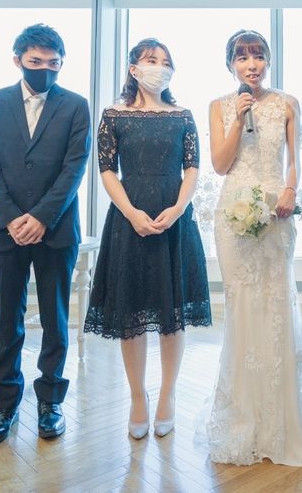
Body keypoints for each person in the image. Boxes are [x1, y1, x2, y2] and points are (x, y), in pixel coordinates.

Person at [203, 29, 302, 466]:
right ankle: (242, 419)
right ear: (231, 65)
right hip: (234, 216)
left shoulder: (288, 103)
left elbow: (296, 159)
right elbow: (220, 164)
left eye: (258, 56)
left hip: (277, 211)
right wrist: (238, 118)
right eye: (242, 57)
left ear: (268, 61)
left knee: (276, 306)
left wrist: (291, 190)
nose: (252, 64)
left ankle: (283, 422)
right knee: (242, 308)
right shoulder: (220, 106)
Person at [84, 38, 211, 439]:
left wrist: (178, 208)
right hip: (130, 218)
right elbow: (107, 170)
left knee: (172, 316)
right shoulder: (113, 115)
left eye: (165, 61)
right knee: (132, 314)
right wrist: (131, 212)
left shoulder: (182, 116)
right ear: (133, 68)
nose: (159, 66)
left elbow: (192, 167)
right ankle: (137, 397)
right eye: (151, 59)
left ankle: (167, 396)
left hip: (175, 219)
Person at [0, 24, 91, 445]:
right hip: (3, 231)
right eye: (35, 62)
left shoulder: (76, 106)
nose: (44, 69)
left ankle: (50, 400)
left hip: (56, 229)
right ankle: (4, 403)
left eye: (53, 63)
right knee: (6, 319)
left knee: (55, 318)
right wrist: (11, 217)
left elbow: (75, 167)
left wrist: (43, 217)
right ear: (18, 61)